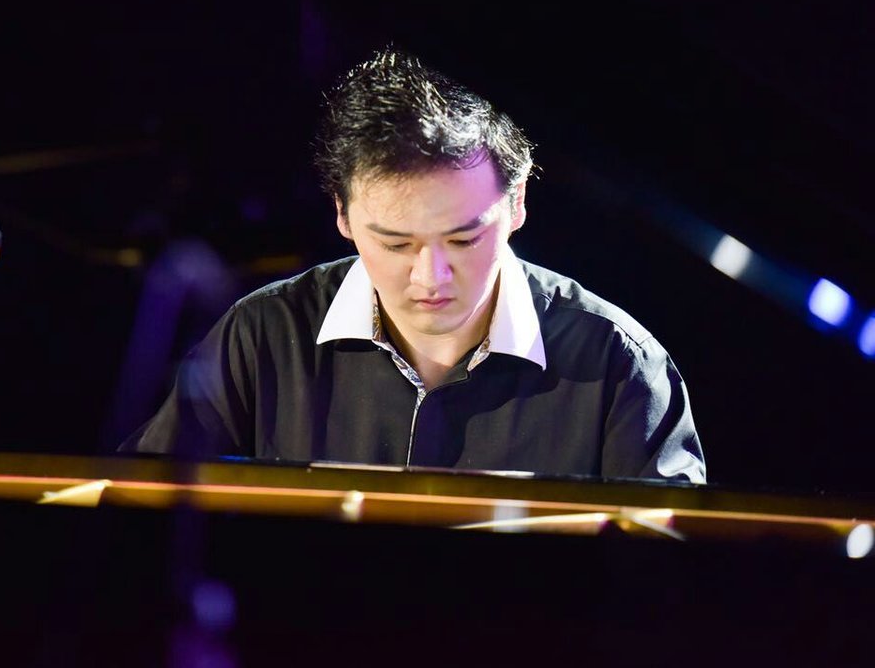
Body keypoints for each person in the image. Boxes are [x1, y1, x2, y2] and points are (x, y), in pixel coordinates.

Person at [121, 49, 706, 482]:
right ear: (342, 215)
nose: (430, 277)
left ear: (517, 203)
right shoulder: (261, 336)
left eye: (463, 239)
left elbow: (668, 577)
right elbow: (144, 523)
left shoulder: (619, 363)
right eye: (396, 244)